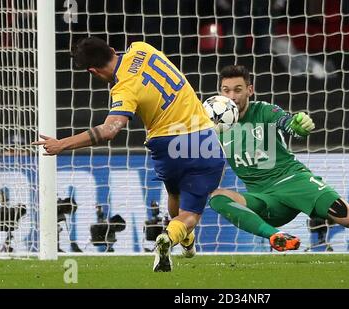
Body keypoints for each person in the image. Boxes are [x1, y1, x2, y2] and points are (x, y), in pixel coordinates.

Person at [32, 37, 226, 271]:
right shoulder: (141, 47)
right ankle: (171, 236)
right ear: (113, 49)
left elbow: (109, 130)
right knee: (191, 212)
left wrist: (61, 144)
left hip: (165, 145)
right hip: (200, 137)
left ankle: (184, 238)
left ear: (93, 71)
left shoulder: (123, 89)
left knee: (175, 191)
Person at [209, 64, 349, 260]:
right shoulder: (214, 124)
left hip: (293, 181)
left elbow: (287, 123)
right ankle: (276, 236)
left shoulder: (265, 110)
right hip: (263, 198)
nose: (231, 97)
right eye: (226, 90)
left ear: (250, 90)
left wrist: (299, 125)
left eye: (237, 90)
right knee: (217, 197)